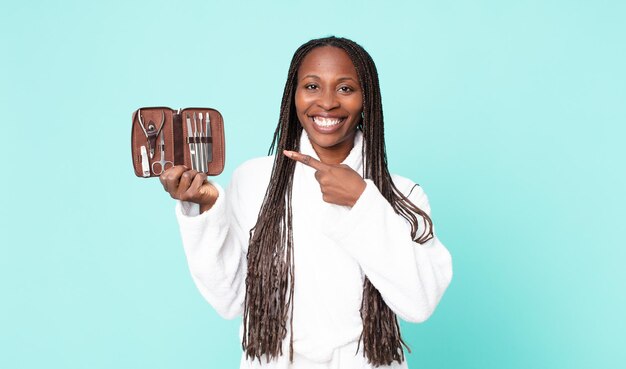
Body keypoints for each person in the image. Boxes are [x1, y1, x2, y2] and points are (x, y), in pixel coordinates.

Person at [159, 36, 453, 369]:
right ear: (293, 96)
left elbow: (420, 303)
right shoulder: (254, 181)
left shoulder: (401, 193)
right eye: (312, 86)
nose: (327, 103)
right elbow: (230, 300)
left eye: (345, 89)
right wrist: (206, 207)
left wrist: (362, 202)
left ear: (366, 100)